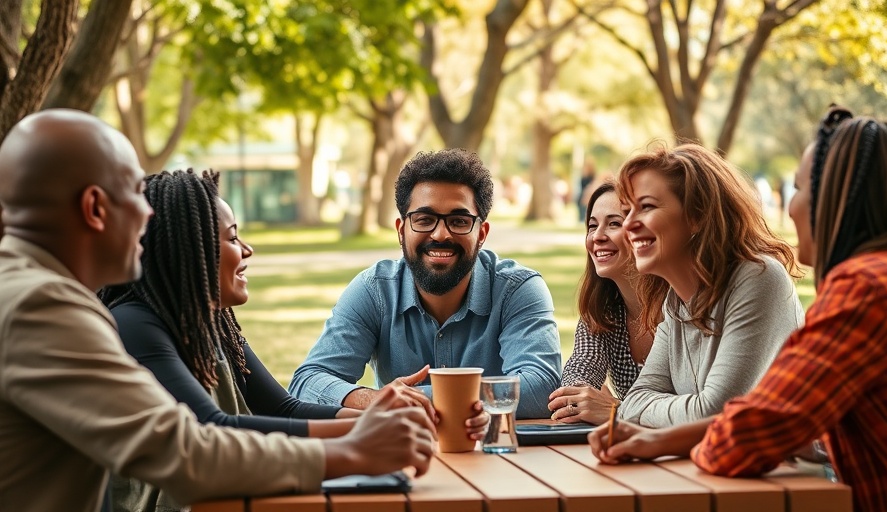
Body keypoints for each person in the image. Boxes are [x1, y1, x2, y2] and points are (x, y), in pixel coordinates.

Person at [0, 109, 434, 512]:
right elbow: (184, 449)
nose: (148, 214)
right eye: (134, 192)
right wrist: (354, 449)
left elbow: (270, 412)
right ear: (95, 208)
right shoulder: (41, 307)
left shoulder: (30, 291)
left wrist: (370, 424)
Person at [99, 169, 481, 511]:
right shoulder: (135, 324)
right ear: (189, 249)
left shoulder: (211, 323)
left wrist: (382, 417)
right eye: (232, 238)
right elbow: (214, 430)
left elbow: (285, 410)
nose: (247, 250)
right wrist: (363, 435)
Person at [590, 109, 887, 512]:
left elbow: (746, 432)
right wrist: (662, 432)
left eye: (800, 188)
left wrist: (662, 435)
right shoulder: (675, 299)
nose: (790, 207)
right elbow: (637, 403)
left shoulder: (864, 288)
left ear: (838, 198)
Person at [289, 148, 562, 419]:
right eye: (424, 220)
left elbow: (541, 388)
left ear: (481, 234)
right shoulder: (374, 290)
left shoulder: (518, 289)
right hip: (401, 445)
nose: (441, 234)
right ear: (401, 231)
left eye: (459, 221)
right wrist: (372, 400)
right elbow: (307, 382)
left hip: (496, 447)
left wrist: (411, 400)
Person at [615, 143, 804, 427]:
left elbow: (714, 413)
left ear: (698, 216)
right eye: (627, 211)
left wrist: (658, 410)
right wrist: (686, 409)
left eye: (646, 207)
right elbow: (633, 401)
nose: (628, 225)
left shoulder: (759, 279)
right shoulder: (676, 302)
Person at [547, 181, 657, 425]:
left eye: (614, 223)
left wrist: (617, 409)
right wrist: (581, 396)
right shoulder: (603, 311)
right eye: (592, 226)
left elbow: (696, 406)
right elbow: (579, 372)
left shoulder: (679, 306)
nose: (597, 236)